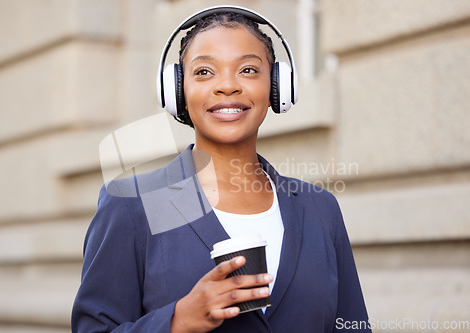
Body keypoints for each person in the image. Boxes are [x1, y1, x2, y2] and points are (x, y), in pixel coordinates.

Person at [72, 6, 371, 333]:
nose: (227, 86)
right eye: (204, 72)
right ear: (176, 92)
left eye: (247, 70)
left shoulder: (319, 209)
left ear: (277, 87)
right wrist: (176, 321)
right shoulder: (136, 205)